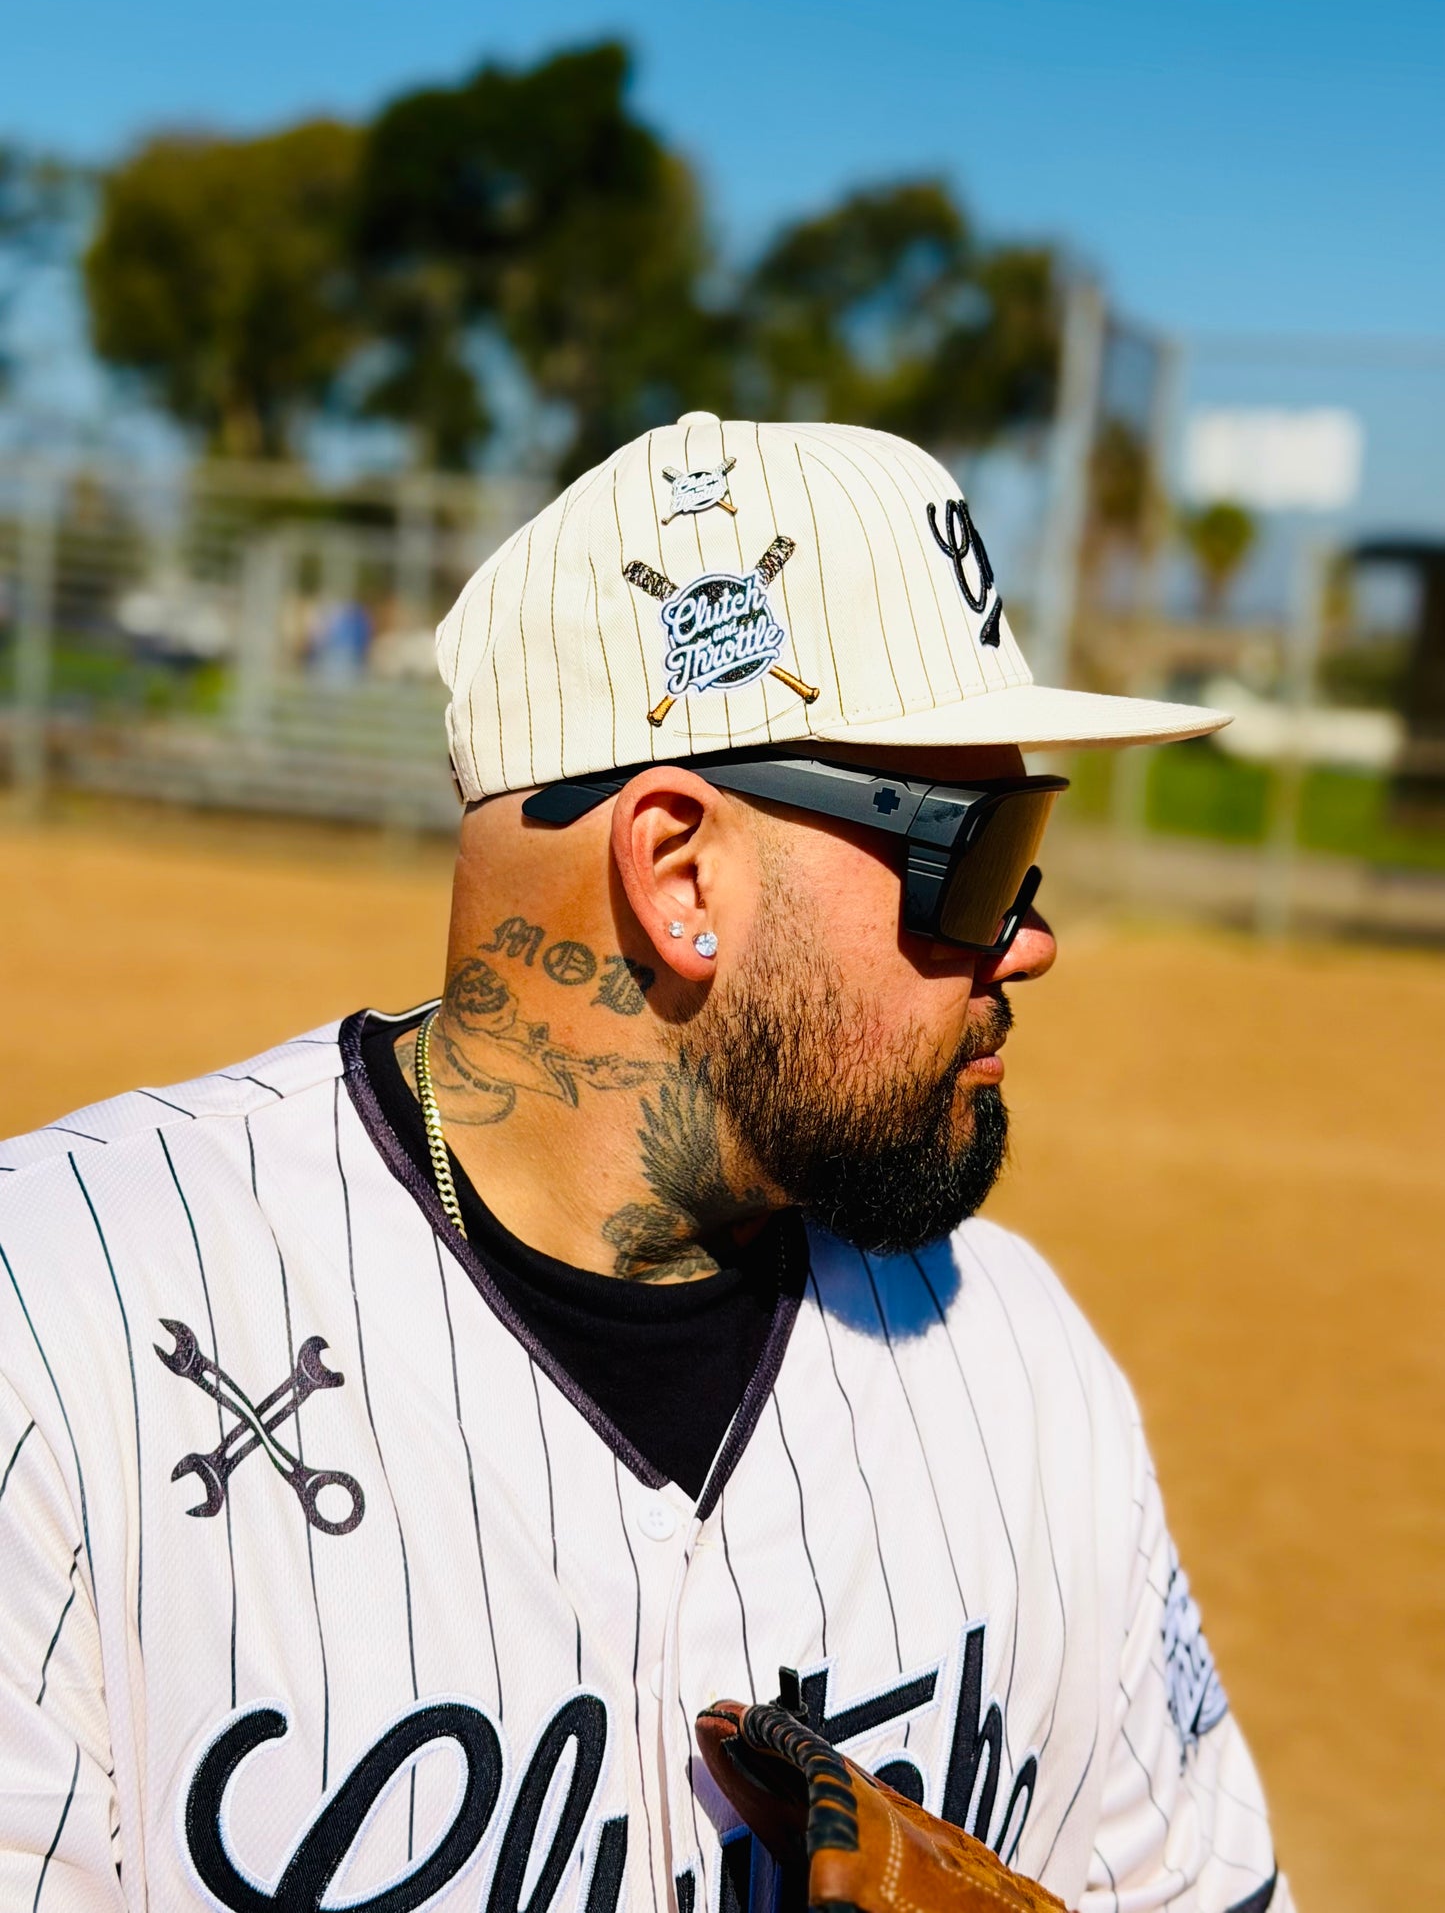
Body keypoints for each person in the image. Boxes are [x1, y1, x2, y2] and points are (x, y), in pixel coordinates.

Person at [0, 414, 1290, 1912]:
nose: (1031, 939)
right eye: (980, 855)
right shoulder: (51, 1330)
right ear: (679, 871)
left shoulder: (1021, 1361)